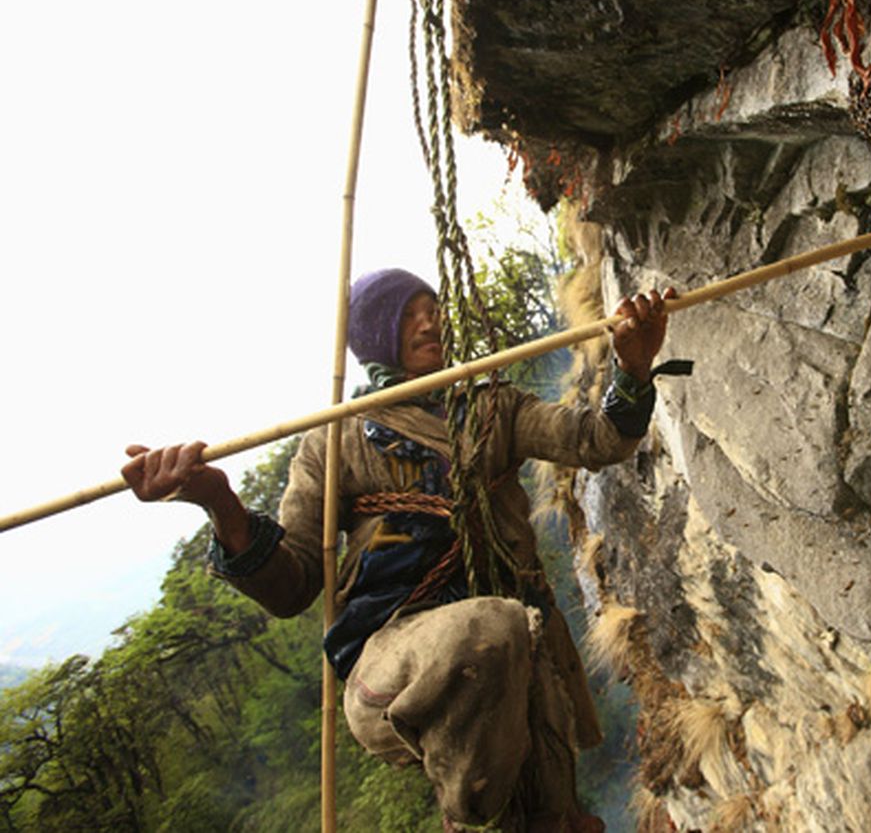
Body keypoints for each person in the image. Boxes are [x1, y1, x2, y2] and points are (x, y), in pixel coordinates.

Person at [122, 268, 678, 832]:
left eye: (432, 308)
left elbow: (597, 438)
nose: (428, 320)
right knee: (487, 631)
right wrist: (220, 503)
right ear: (376, 333)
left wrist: (632, 368)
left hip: (522, 661)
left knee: (561, 818)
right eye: (408, 313)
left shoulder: (491, 408)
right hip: (397, 664)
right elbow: (292, 586)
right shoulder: (334, 441)